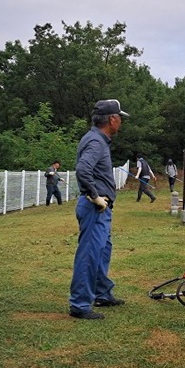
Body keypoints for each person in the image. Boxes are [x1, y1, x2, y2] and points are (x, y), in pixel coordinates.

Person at [69, 99, 128, 320]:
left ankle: (102, 293)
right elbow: (83, 169)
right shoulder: (96, 141)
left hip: (101, 210)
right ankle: (80, 304)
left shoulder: (97, 139)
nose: (121, 121)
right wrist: (95, 196)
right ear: (112, 119)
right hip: (95, 208)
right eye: (119, 117)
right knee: (89, 254)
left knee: (102, 251)